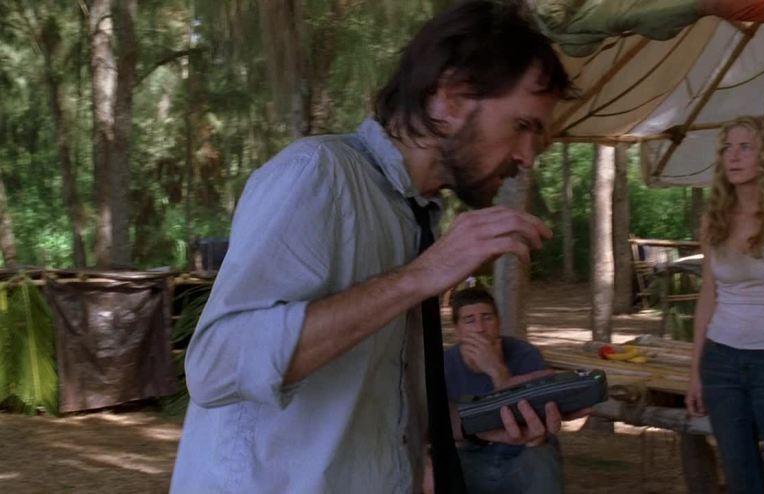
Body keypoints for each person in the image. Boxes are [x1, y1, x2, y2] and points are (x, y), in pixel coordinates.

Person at [170, 1, 578, 492]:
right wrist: (420, 276)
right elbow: (213, 367)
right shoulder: (318, 174)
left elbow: (372, 403)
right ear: (451, 97)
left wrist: (475, 420)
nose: (528, 157)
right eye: (523, 126)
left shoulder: (413, 217)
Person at [685, 115, 764, 494]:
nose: (732, 157)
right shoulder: (714, 220)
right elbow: (708, 295)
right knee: (741, 479)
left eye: (745, 147)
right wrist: (696, 371)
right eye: (727, 148)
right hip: (722, 363)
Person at [444, 286, 563, 494]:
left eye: (487, 318)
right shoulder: (445, 364)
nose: (480, 328)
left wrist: (497, 370)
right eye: (470, 320)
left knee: (541, 458)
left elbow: (534, 418)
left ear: (498, 322)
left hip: (524, 450)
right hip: (469, 453)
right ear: (457, 330)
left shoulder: (525, 354)